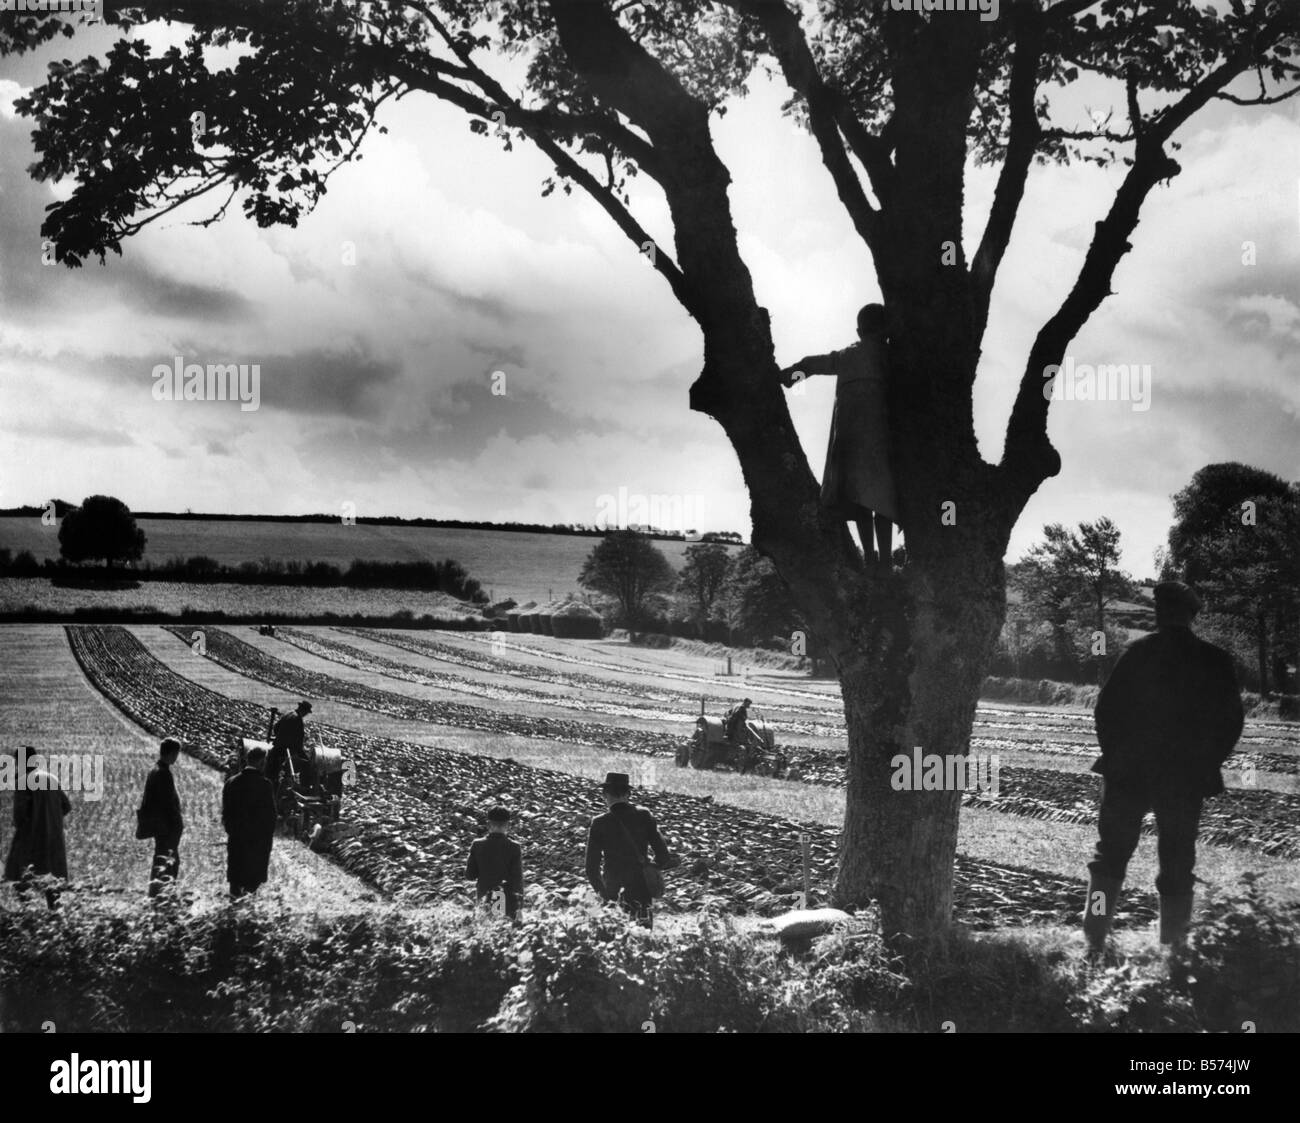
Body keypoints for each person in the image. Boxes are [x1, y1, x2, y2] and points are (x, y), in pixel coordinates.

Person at [1083, 581, 1244, 955]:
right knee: (1177, 862)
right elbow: (1230, 722)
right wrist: (1205, 764)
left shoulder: (1136, 653)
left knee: (1109, 857)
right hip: (1183, 778)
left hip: (1128, 773)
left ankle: (1092, 941)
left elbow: (1105, 711)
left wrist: (1118, 756)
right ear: (1191, 615)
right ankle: (1173, 951)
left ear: (1159, 613)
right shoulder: (1214, 659)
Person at [780, 303, 898, 570]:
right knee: (883, 500)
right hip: (881, 440)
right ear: (887, 329)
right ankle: (886, 561)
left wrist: (789, 376)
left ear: (859, 331)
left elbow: (811, 365)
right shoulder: (891, 356)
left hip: (849, 442)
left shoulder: (846, 356)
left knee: (859, 502)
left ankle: (870, 557)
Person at [585, 772, 676, 928]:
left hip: (613, 888)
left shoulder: (599, 823)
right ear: (628, 794)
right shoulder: (644, 815)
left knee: (614, 942)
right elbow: (663, 856)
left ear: (605, 794)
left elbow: (591, 869)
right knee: (643, 937)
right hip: (641, 888)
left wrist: (604, 896)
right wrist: (652, 867)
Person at [3, 747, 72, 909]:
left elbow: (20, 816)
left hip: (32, 838)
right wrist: (50, 819)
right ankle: (54, 912)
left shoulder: (24, 781)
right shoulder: (51, 778)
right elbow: (66, 806)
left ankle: (25, 911)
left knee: (18, 871)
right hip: (53, 836)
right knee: (52, 875)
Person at [222, 744, 277, 900]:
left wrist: (232, 831)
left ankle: (233, 914)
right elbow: (271, 817)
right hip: (257, 843)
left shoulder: (231, 782)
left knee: (235, 882)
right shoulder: (265, 785)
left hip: (236, 840)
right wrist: (266, 840)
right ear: (261, 763)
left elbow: (226, 813)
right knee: (251, 887)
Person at [139, 737, 185, 899]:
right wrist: (176, 824)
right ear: (172, 753)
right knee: (167, 861)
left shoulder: (156, 770)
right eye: (176, 754)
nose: (177, 757)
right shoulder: (163, 774)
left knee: (164, 859)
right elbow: (167, 805)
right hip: (166, 828)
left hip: (162, 826)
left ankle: (159, 894)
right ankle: (162, 895)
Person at [465, 805, 524, 920]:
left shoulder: (477, 845)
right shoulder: (514, 847)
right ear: (508, 825)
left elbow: (470, 875)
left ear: (488, 825)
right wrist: (520, 907)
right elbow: (517, 880)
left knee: (485, 930)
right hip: (507, 902)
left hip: (484, 898)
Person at [267, 701, 312, 791]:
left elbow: (276, 728)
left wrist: (280, 737)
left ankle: (273, 788)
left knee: (272, 773)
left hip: (277, 747)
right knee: (306, 764)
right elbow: (298, 742)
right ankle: (303, 787)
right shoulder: (298, 720)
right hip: (285, 750)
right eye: (306, 713)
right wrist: (304, 756)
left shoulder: (288, 714)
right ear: (304, 711)